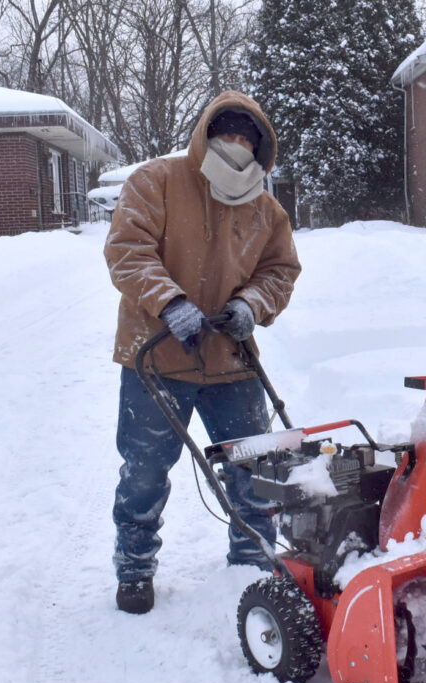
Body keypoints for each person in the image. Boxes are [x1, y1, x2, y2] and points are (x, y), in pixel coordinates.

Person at [103, 91, 301, 614]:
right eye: (226, 133)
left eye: (245, 138)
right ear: (206, 134)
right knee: (145, 470)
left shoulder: (266, 207)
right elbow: (126, 249)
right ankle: (135, 567)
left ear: (259, 148)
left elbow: (280, 271)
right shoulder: (157, 182)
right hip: (157, 356)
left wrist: (251, 305)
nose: (235, 144)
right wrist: (169, 303)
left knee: (255, 467)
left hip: (230, 358)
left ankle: (252, 559)